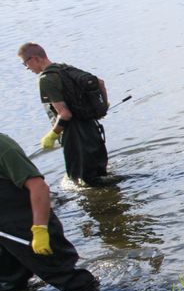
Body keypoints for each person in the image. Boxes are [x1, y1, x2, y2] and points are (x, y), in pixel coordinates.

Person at [0, 131, 99, 291]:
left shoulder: (3, 147)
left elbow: (39, 187)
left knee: (70, 280)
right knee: (10, 285)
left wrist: (39, 229)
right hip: (4, 234)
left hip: (28, 227)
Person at [17, 42, 114, 187]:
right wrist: (101, 108)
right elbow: (100, 83)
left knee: (81, 183)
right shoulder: (65, 68)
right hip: (92, 130)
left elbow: (65, 114)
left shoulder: (46, 80)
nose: (27, 68)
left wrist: (52, 135)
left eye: (25, 63)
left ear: (34, 59)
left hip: (75, 137)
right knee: (100, 177)